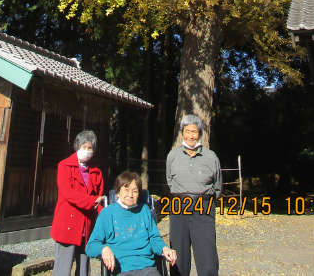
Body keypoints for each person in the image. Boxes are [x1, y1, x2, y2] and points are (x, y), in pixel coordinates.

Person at [86, 171, 177, 276]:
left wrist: (164, 248)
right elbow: (91, 246)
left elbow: (154, 239)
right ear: (117, 192)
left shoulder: (144, 210)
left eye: (135, 191)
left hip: (147, 268)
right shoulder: (107, 214)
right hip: (122, 270)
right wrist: (103, 249)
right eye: (126, 190)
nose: (130, 195)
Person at [165, 114, 222, 276]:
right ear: (182, 133)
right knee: (179, 254)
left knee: (207, 257)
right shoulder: (173, 156)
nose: (191, 136)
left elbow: (217, 187)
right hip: (178, 207)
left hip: (203, 207)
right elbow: (170, 181)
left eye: (194, 132)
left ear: (200, 134)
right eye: (188, 131)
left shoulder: (211, 157)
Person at [51, 130, 107, 276]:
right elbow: (69, 193)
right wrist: (92, 201)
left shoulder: (96, 171)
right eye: (84, 147)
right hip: (67, 225)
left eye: (90, 148)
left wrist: (105, 218)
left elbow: (99, 200)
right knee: (62, 269)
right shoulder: (64, 166)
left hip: (86, 226)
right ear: (77, 146)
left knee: (84, 270)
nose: (87, 151)